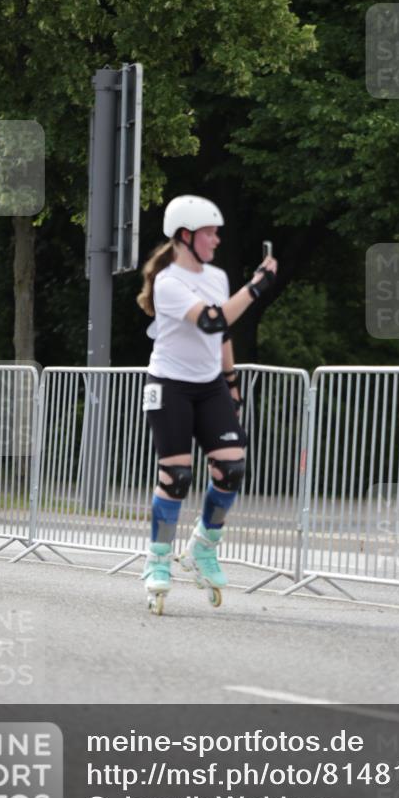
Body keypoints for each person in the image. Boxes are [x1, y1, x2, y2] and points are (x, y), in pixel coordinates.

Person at [136, 194, 278, 614]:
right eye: (210, 233)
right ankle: (158, 559)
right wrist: (256, 286)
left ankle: (203, 546)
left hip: (209, 383)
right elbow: (211, 319)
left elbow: (222, 334)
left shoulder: (216, 276)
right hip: (170, 385)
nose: (217, 240)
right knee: (176, 476)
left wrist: (231, 382)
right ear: (185, 236)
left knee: (231, 468)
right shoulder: (168, 282)